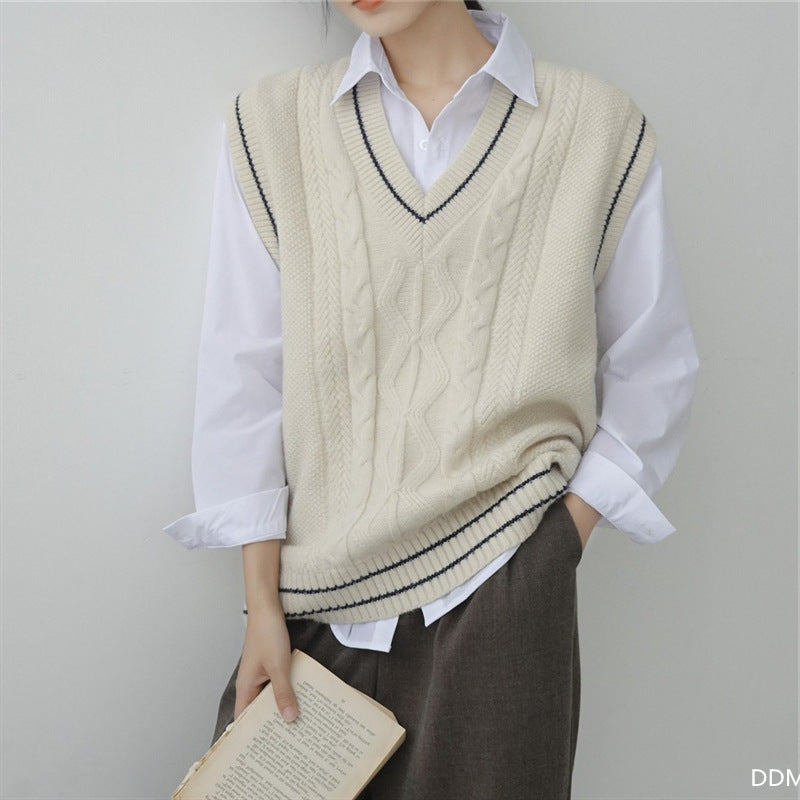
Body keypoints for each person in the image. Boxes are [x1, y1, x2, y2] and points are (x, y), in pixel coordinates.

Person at [163, 1, 700, 797]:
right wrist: (261, 606)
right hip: (315, 609)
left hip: (500, 595)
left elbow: (655, 365)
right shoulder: (274, 126)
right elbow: (243, 372)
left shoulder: (595, 127)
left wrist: (555, 545)